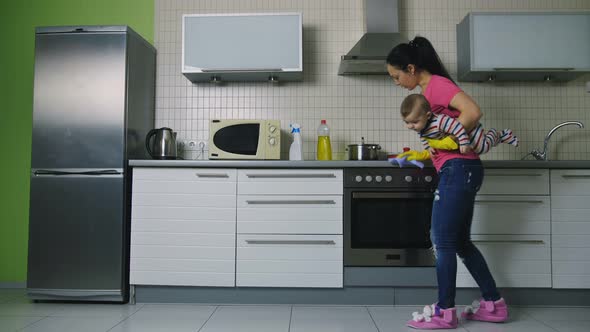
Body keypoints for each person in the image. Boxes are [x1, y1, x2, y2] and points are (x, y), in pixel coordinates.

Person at [386, 36, 509, 330]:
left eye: (396, 76)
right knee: (461, 243)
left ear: (411, 68)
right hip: (461, 169)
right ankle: (494, 305)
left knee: (442, 242)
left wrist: (448, 142)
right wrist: (425, 152)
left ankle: (445, 312)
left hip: (459, 169)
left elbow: (473, 112)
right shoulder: (427, 93)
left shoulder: (437, 86)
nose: (397, 82)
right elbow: (443, 135)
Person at [400, 93, 518, 155]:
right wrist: (428, 148)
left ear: (428, 115)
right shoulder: (421, 127)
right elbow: (424, 138)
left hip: (471, 130)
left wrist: (463, 142)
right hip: (459, 135)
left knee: (482, 148)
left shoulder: (440, 121)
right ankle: (500, 137)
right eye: (407, 122)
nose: (411, 126)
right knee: (479, 149)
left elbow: (458, 127)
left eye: (415, 122)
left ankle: (499, 134)